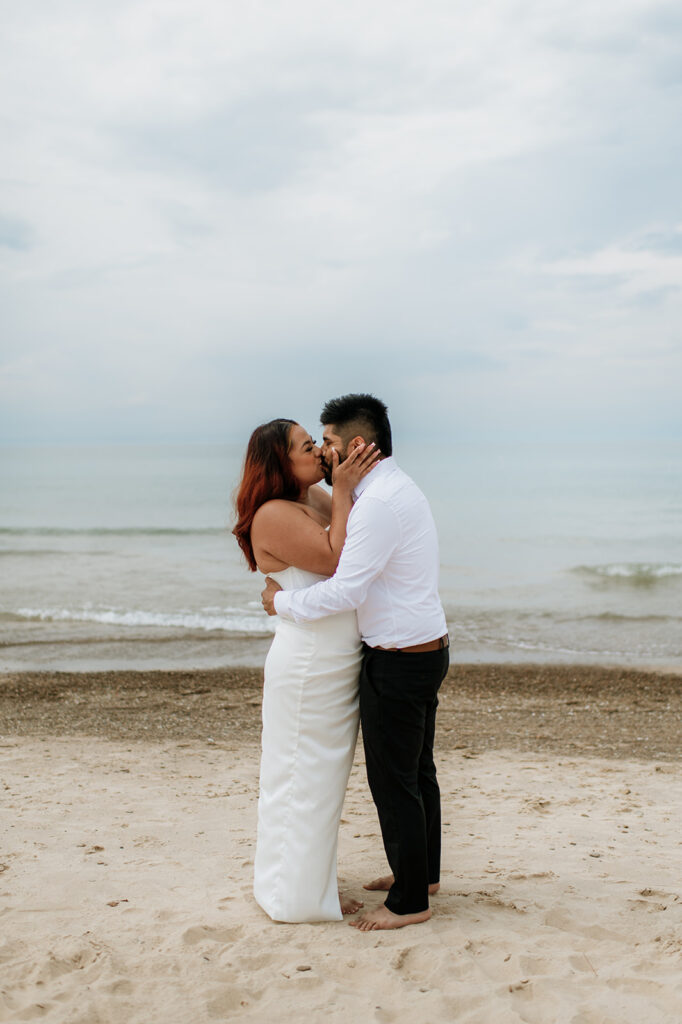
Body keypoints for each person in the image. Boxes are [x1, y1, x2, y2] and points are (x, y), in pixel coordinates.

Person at [262, 394, 449, 931]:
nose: (323, 452)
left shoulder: (378, 503)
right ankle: (422, 873)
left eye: (329, 443)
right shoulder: (382, 491)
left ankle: (411, 901)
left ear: (357, 447)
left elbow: (344, 590)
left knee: (395, 779)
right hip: (418, 648)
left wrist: (281, 604)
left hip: (400, 659)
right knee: (415, 771)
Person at [233, 417, 379, 922]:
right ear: (280, 462)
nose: (317, 450)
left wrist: (342, 484)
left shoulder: (313, 499)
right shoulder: (273, 513)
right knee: (300, 778)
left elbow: (360, 537)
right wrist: (342, 488)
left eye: (316, 441)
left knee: (322, 782)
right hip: (309, 663)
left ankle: (308, 886)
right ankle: (296, 899)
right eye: (305, 445)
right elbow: (337, 560)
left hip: (337, 659)